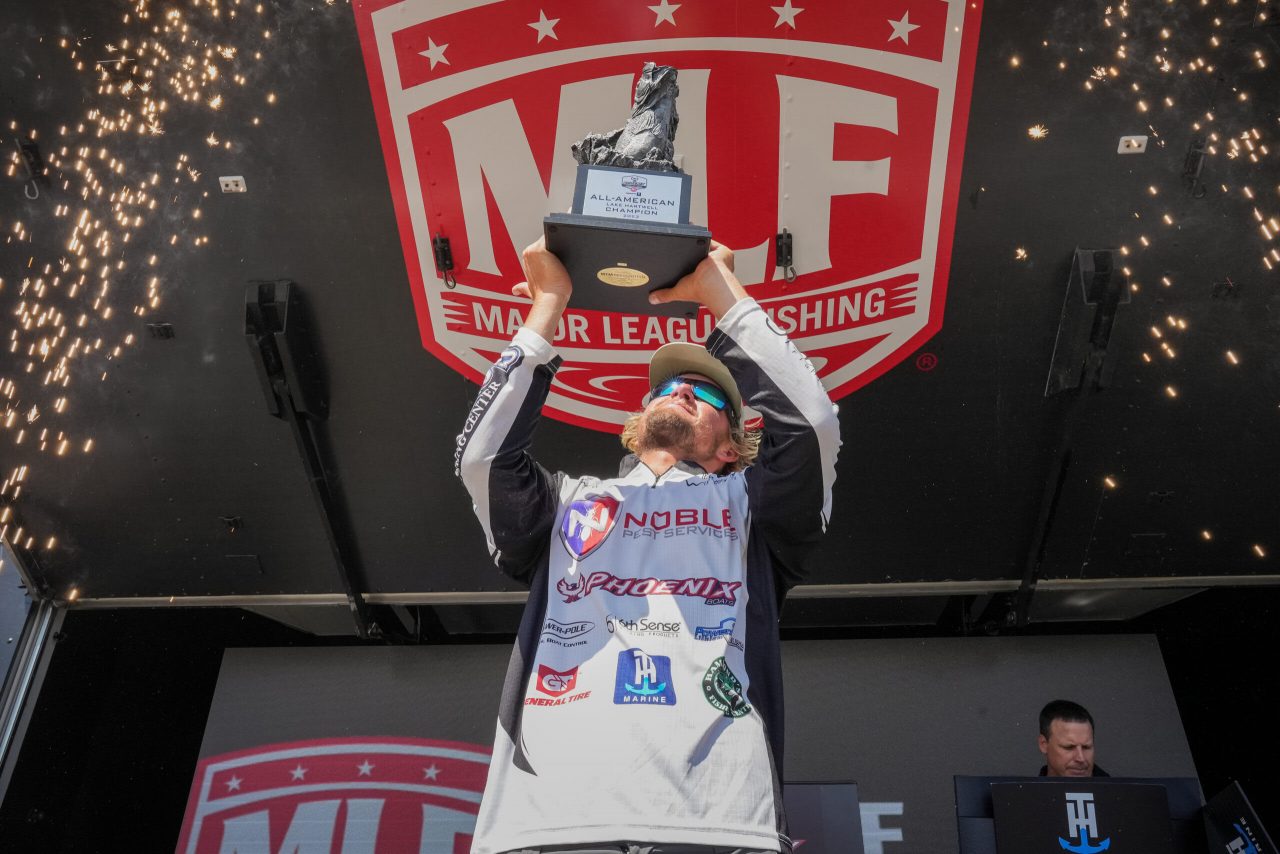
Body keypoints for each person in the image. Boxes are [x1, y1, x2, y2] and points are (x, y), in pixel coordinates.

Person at [454, 237, 841, 854]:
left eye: (708, 396)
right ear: (636, 425)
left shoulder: (752, 509)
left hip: (717, 824)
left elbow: (813, 424)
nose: (683, 391)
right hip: (549, 823)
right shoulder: (565, 503)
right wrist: (548, 306)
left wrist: (722, 296)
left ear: (730, 447)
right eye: (670, 386)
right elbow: (482, 457)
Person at [1038, 699, 1110, 778]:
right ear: (1043, 744)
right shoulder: (1030, 787)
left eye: (1086, 747)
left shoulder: (1114, 786)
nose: (1081, 758)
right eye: (1069, 747)